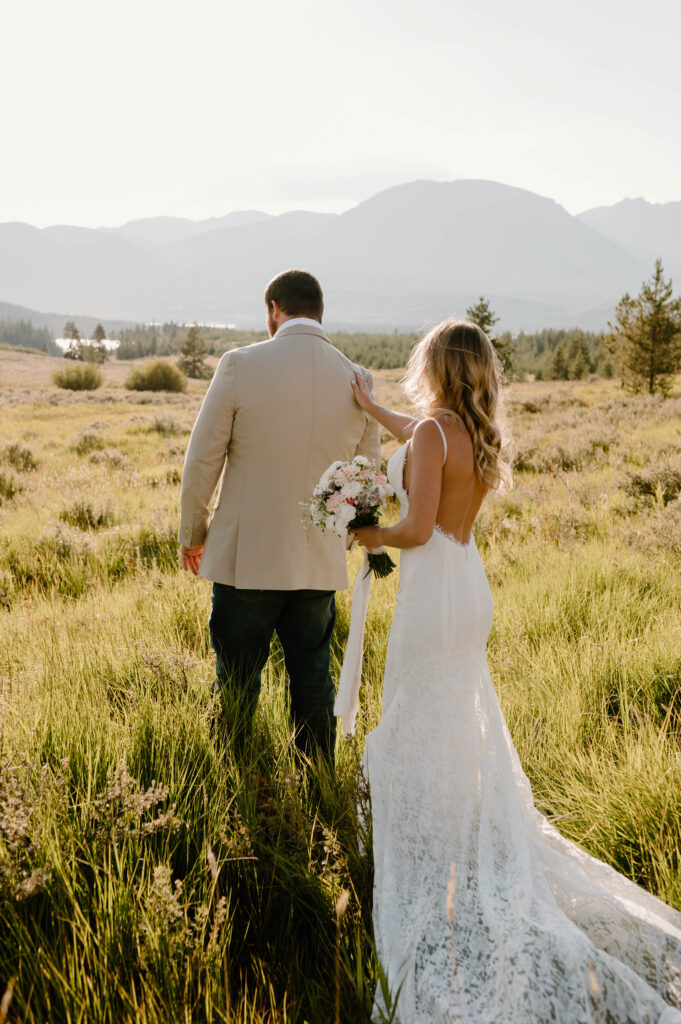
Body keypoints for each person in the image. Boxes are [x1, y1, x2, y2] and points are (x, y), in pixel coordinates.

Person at [350, 319, 681, 1022]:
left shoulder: (434, 433)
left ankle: (431, 847)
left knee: (415, 707)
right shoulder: (464, 429)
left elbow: (413, 530)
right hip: (468, 583)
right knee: (449, 710)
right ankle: (455, 830)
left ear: (435, 363)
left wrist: (359, 532)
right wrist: (374, 409)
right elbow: (421, 435)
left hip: (432, 586)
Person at [178, 269, 380, 762]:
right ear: (319, 311)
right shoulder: (359, 379)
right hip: (317, 561)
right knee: (311, 671)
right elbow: (366, 476)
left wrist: (193, 533)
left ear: (274, 309)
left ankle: (234, 776)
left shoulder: (240, 365)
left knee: (237, 674)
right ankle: (317, 778)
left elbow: (203, 458)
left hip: (248, 557)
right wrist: (345, 539)